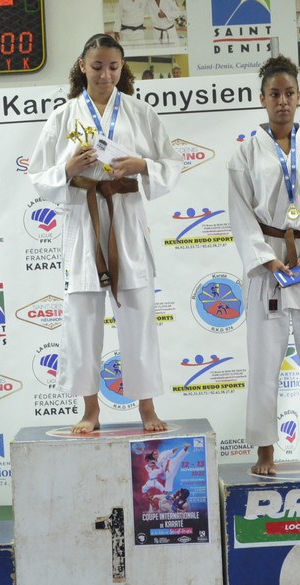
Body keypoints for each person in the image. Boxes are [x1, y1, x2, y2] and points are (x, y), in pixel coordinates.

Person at [29, 34, 182, 435]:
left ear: (122, 67)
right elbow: (38, 174)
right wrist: (68, 170)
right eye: (97, 67)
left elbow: (172, 162)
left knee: (138, 313)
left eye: (113, 67)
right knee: (82, 317)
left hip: (126, 215)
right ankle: (90, 410)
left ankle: (147, 407)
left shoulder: (140, 112)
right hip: (84, 217)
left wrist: (141, 165)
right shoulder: (63, 116)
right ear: (82, 66)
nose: (105, 75)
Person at [227, 55, 300, 475]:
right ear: (262, 98)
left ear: (299, 96)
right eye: (274, 94)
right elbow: (240, 214)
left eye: (289, 93)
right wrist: (267, 259)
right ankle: (265, 452)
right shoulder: (245, 154)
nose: (282, 101)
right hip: (269, 266)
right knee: (264, 364)